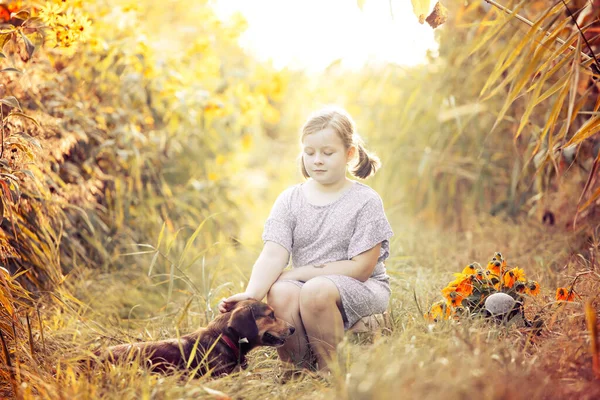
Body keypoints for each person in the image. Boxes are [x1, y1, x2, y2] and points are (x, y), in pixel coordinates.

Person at [218, 106, 393, 372]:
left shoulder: (365, 201)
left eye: (327, 153)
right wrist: (252, 294)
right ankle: (298, 368)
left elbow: (361, 268)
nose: (317, 160)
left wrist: (299, 273)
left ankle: (330, 371)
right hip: (308, 286)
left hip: (362, 287)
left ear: (349, 154)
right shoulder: (290, 199)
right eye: (309, 153)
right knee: (280, 290)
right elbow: (273, 253)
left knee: (316, 289)